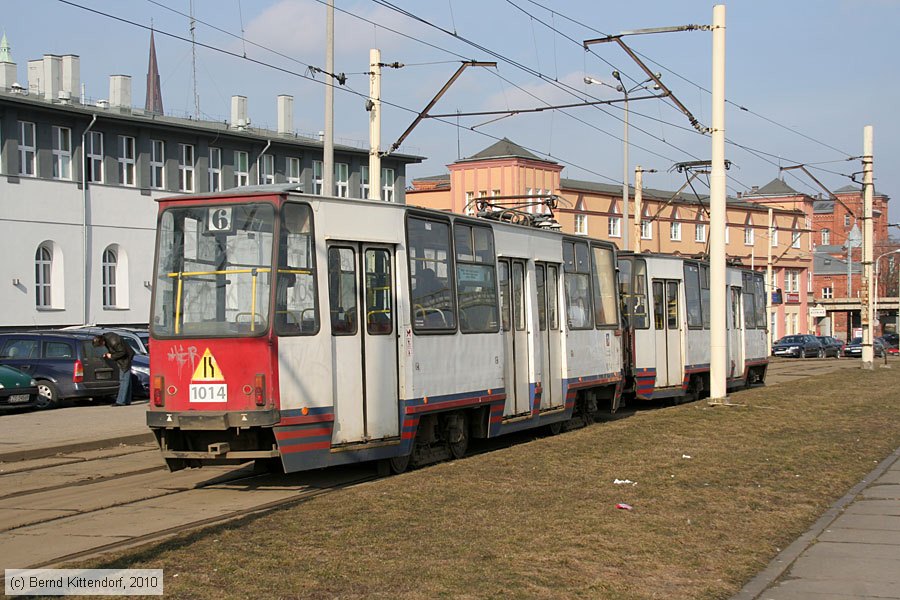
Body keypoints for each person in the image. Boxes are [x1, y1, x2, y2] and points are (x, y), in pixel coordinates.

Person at [93, 333, 135, 406]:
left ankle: (121, 401)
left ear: (102, 341)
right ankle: (126, 400)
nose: (101, 347)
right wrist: (108, 354)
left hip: (125, 359)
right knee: (127, 380)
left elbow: (123, 352)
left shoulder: (113, 341)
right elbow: (115, 350)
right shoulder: (107, 339)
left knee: (123, 380)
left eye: (100, 345)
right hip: (124, 358)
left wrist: (111, 356)